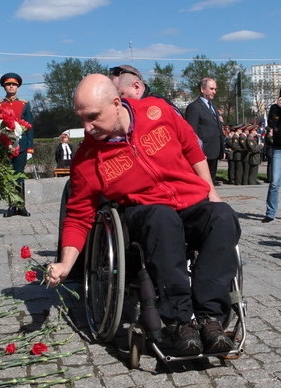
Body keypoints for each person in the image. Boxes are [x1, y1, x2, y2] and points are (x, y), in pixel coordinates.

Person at [47, 74, 241, 356]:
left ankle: (210, 318)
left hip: (189, 202)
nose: (86, 128)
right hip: (144, 213)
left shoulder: (157, 111)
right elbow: (78, 215)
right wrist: (65, 264)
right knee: (162, 219)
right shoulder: (87, 160)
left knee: (222, 216)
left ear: (116, 103)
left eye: (92, 117)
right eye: (81, 119)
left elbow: (191, 147)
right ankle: (179, 321)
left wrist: (212, 192)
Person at [0, 72, 34, 218]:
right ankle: (11, 205)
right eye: (8, 84)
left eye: (13, 84)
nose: (11, 87)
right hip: (5, 145)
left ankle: (21, 206)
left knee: (19, 176)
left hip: (22, 145)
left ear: (17, 87)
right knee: (9, 176)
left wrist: (30, 147)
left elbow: (29, 126)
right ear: (4, 87)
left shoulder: (24, 104)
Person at [185, 78, 225, 185]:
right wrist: (198, 151)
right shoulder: (194, 107)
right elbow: (191, 132)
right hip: (203, 152)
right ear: (203, 89)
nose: (214, 92)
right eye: (211, 89)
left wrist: (222, 148)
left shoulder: (213, 107)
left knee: (211, 182)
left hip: (215, 151)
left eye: (215, 89)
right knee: (202, 183)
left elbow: (218, 128)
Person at [262, 90, 281, 223]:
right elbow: (272, 125)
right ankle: (270, 212)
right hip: (278, 148)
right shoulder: (275, 108)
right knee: (274, 182)